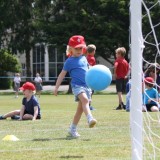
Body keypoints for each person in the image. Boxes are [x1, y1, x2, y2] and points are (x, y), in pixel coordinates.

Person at [54, 35, 97, 138]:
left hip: (87, 86)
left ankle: (72, 129)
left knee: (80, 110)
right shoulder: (69, 61)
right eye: (76, 48)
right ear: (70, 49)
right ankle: (90, 118)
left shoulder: (84, 58)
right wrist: (56, 87)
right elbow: (62, 75)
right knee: (85, 101)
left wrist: (97, 71)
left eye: (80, 48)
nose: (78, 50)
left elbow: (88, 69)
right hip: (77, 86)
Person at [86, 44, 97, 110]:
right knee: (90, 92)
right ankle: (88, 105)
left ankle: (87, 105)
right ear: (93, 51)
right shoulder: (92, 58)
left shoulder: (86, 57)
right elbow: (90, 67)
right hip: (90, 77)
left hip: (87, 76)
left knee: (89, 91)